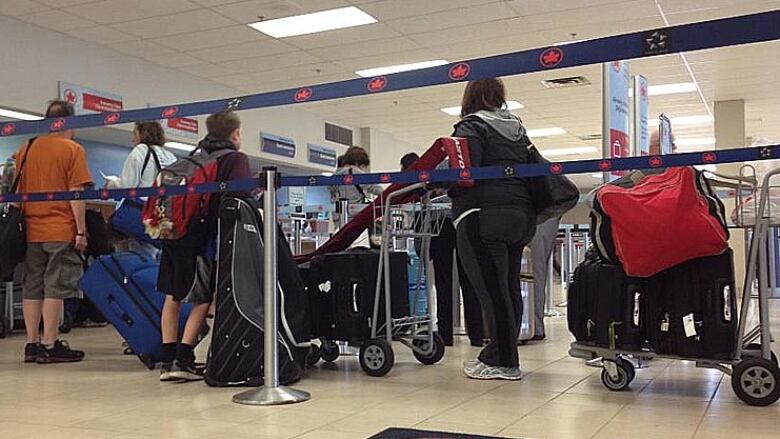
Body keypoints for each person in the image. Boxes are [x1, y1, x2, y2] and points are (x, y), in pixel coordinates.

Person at [451, 78, 536, 380]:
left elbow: (465, 174)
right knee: (508, 288)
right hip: (521, 217)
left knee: (491, 291)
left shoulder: (471, 126)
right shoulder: (517, 128)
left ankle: (504, 361)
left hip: (483, 215)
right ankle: (497, 353)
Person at [157, 110, 251, 382]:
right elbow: (239, 197)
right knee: (203, 297)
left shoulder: (190, 157)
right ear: (235, 134)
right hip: (202, 239)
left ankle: (167, 358)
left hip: (172, 234)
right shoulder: (234, 159)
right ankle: (183, 359)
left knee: (172, 296)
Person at [17, 100, 92, 364]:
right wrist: (81, 230)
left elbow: (16, 193)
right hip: (60, 228)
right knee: (55, 287)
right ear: (69, 123)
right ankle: (50, 343)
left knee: (32, 286)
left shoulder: (25, 149)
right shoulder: (73, 149)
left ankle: (31, 343)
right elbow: (76, 194)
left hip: (30, 229)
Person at [400, 153, 484, 347]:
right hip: (463, 222)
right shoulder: (464, 163)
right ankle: (477, 334)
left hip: (440, 225)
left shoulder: (432, 169)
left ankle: (446, 335)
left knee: (443, 281)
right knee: (469, 279)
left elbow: (423, 195)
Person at [107, 121, 177, 258]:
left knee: (134, 259)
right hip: (160, 218)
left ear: (142, 134)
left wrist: (111, 184)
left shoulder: (140, 151)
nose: (132, 139)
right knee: (153, 260)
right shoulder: (171, 157)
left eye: (135, 133)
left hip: (138, 215)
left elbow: (126, 186)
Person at [330, 146, 382, 227]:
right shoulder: (355, 172)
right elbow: (376, 189)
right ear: (358, 162)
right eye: (362, 165)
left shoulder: (336, 174)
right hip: (355, 216)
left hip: (338, 217)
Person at [528, 217, 560, 341]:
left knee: (535, 273)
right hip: (543, 216)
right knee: (536, 272)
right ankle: (533, 326)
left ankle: (534, 327)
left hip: (539, 216)